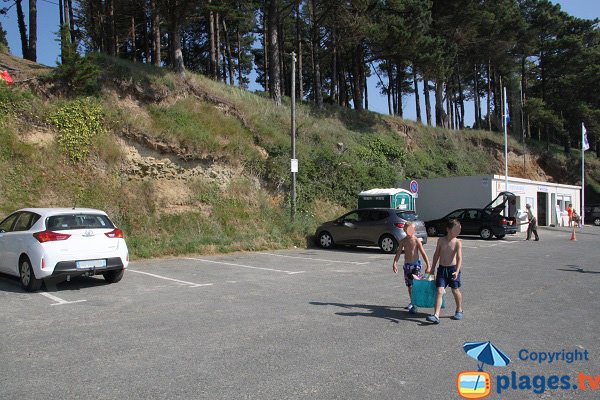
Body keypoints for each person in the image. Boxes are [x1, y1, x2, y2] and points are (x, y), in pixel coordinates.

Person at [425, 219, 463, 324]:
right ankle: (436, 315)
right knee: (439, 291)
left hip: (453, 270)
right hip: (442, 269)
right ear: (448, 229)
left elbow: (459, 258)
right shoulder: (441, 240)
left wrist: (457, 271)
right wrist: (432, 268)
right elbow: (436, 254)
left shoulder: (457, 242)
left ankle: (459, 309)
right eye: (454, 230)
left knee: (455, 290)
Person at [392, 221, 431, 314]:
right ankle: (413, 302)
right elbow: (398, 253)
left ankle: (416, 303)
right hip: (407, 266)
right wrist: (395, 263)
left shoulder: (416, 240)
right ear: (404, 230)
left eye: (413, 229)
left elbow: (423, 253)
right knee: (409, 286)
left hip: (416, 265)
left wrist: (428, 265)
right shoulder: (403, 241)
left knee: (416, 285)